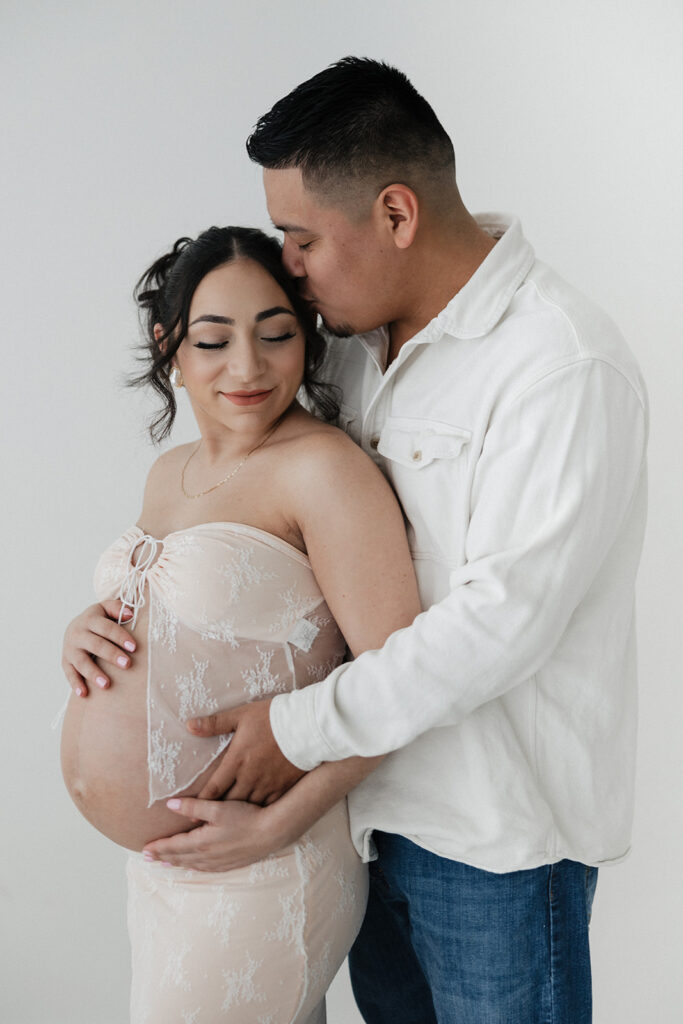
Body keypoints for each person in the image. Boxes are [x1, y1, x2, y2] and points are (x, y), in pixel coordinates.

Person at [64, 58, 649, 1023]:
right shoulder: (344, 347)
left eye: (301, 239)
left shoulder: (558, 365)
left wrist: (290, 737)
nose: (289, 268)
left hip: (492, 839)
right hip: (365, 822)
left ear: (395, 214)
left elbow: (499, 626)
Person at [59, 224, 421, 1024]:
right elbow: (184, 624)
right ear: (170, 349)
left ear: (308, 339)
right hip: (168, 869)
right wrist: (83, 633)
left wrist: (280, 824)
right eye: (215, 341)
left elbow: (406, 681)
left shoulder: (322, 468)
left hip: (262, 857)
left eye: (277, 335)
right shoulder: (168, 471)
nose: (248, 368)